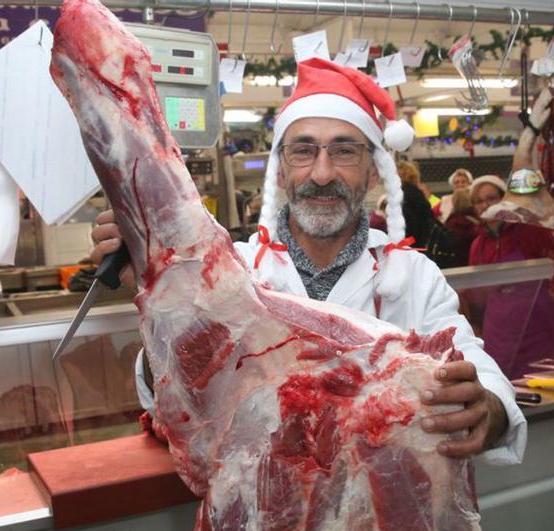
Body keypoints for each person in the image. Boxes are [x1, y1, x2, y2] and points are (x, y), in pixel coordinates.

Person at [92, 58, 526, 465]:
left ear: (373, 172)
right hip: (264, 517)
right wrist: (161, 296)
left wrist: (489, 407)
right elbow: (172, 395)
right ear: (281, 171)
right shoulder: (231, 270)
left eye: (343, 151)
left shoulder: (414, 276)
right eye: (303, 151)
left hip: (380, 517)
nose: (321, 173)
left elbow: (477, 369)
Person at [465, 175, 554, 379]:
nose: (485, 205)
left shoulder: (531, 230)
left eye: (491, 198)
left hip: (537, 322)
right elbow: (476, 293)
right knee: (504, 382)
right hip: (498, 326)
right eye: (479, 201)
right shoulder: (477, 245)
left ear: (504, 200)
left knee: (543, 380)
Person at [396, 160, 465, 269]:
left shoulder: (403, 197)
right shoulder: (417, 195)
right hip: (424, 247)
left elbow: (411, 228)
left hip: (414, 249)